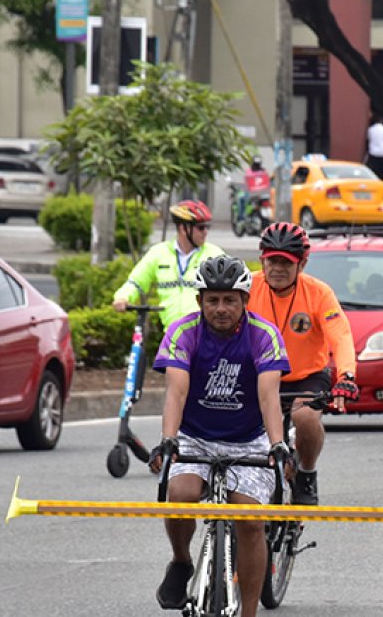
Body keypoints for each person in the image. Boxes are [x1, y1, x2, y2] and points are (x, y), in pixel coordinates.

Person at [152, 256, 289, 616]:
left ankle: (248, 613)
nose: (221, 308)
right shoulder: (183, 333)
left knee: (249, 519)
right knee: (179, 494)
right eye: (212, 300)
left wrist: (277, 444)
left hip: (249, 439)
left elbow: (268, 396)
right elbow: (176, 393)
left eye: (230, 299)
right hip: (195, 436)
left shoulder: (264, 336)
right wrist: (169, 440)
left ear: (245, 300)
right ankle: (181, 561)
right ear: (200, 302)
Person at [247, 222, 359, 505]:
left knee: (305, 416)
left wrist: (346, 376)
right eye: (271, 260)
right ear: (262, 259)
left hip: (307, 374)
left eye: (286, 262)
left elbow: (341, 336)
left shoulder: (319, 293)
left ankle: (307, 472)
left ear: (303, 264)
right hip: (260, 374)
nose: (277, 269)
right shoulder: (248, 287)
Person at [113, 199, 224, 329]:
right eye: (200, 227)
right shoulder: (159, 252)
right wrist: (122, 297)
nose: (205, 232)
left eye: (207, 227)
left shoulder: (214, 254)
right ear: (183, 228)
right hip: (171, 335)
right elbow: (135, 282)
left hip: (206, 335)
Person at [366, 114, 383, 181]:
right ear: (381, 121)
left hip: (373, 152)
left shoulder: (370, 129)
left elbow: (368, 140)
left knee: (375, 171)